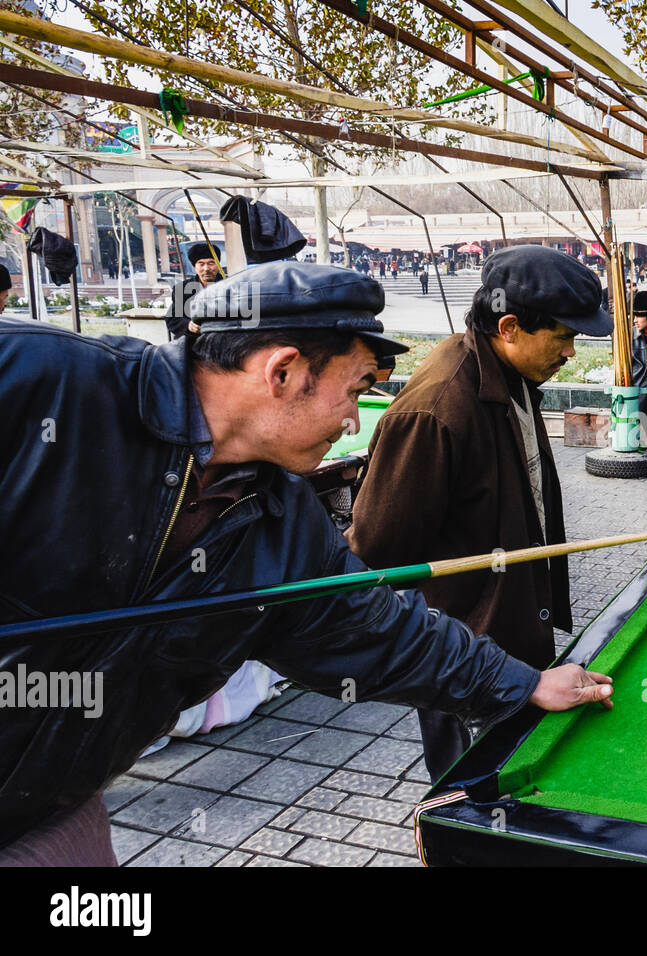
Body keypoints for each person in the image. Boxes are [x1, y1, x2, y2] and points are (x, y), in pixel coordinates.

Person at [0, 260, 610, 865]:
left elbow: (375, 629)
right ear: (284, 372)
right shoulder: (40, 382)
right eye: (353, 391)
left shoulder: (283, 519)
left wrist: (523, 682)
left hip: (50, 806)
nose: (352, 421)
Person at [347, 246, 612, 781]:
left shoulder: (507, 372)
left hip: (511, 632)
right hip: (466, 651)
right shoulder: (438, 408)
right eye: (563, 337)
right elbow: (376, 552)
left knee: (517, 775)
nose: (570, 352)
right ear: (510, 326)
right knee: (472, 791)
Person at [166, 244, 224, 341]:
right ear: (194, 267)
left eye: (211, 263)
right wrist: (188, 325)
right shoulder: (182, 289)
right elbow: (172, 319)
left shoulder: (231, 286)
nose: (206, 269)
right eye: (201, 264)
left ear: (218, 264)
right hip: (194, 342)